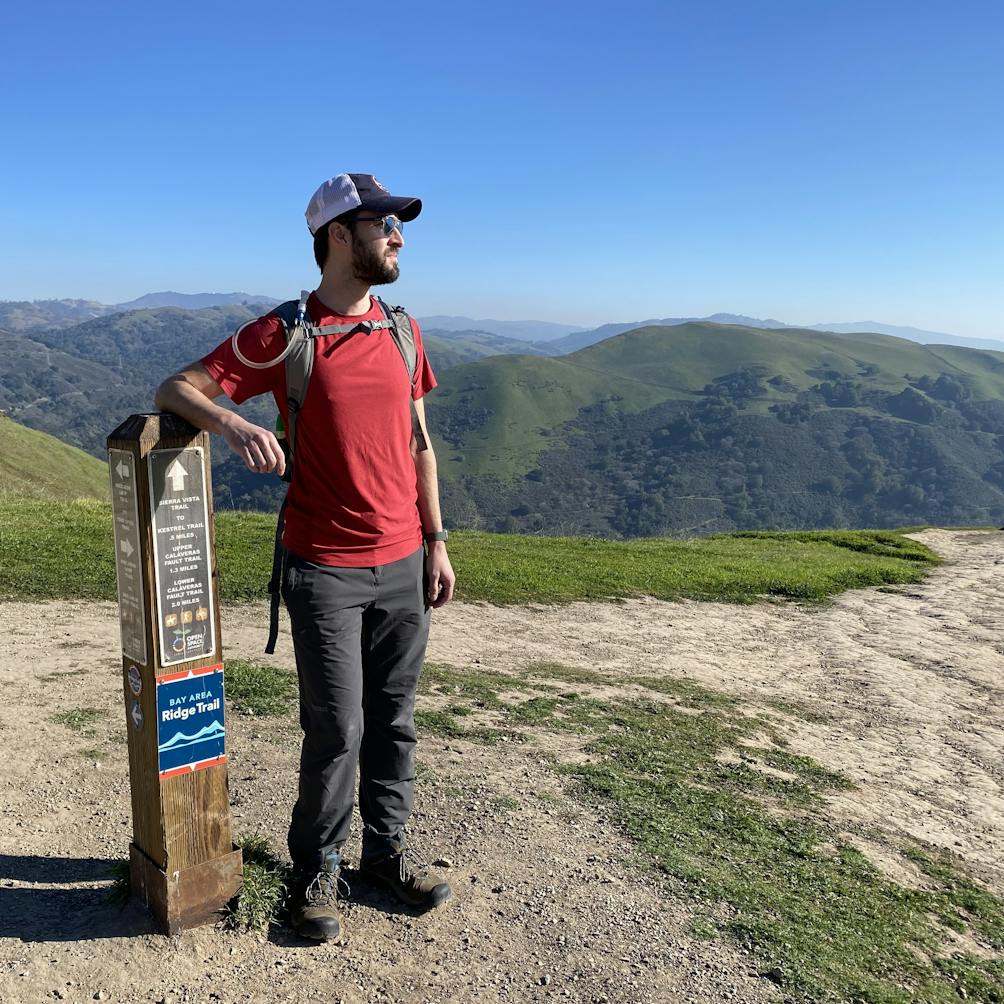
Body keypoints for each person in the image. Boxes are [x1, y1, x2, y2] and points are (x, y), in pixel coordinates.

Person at [154, 173, 456, 943]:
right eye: (383, 224)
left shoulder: (402, 330)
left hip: (404, 562)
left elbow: (419, 444)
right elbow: (178, 386)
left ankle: (384, 858)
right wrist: (231, 423)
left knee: (395, 719)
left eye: (396, 225)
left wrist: (437, 541)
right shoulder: (286, 333)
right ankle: (315, 868)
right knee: (337, 728)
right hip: (323, 566)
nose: (398, 237)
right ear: (337, 236)